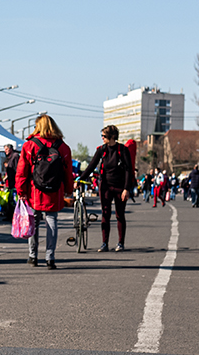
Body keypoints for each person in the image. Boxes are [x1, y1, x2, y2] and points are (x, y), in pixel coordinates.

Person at [16, 115, 74, 269]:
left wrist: (21, 190)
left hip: (34, 190)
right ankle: (50, 257)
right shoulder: (63, 147)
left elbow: (22, 171)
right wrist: (69, 189)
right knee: (52, 221)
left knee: (33, 222)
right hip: (54, 190)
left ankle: (33, 255)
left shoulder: (29, 145)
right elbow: (68, 172)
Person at [78, 125, 134, 252]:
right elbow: (91, 166)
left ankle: (120, 243)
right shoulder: (101, 150)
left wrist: (126, 188)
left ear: (112, 137)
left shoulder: (122, 150)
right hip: (105, 186)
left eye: (104, 136)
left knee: (120, 215)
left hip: (120, 187)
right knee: (105, 214)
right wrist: (79, 179)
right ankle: (104, 243)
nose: (102, 138)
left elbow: (128, 170)